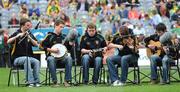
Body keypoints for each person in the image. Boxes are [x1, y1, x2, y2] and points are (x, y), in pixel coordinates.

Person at [7, 18, 41, 87]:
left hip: (29, 57)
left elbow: (36, 44)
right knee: (26, 59)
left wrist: (30, 38)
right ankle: (30, 81)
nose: (29, 27)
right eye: (27, 25)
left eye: (29, 25)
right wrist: (17, 36)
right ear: (22, 26)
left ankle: (36, 81)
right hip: (17, 59)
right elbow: (8, 41)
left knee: (37, 61)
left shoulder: (29, 33)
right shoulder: (17, 33)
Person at [40, 19, 72, 87]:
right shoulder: (49, 36)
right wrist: (52, 50)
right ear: (55, 26)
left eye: (63, 27)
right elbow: (41, 46)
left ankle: (67, 81)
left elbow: (68, 49)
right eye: (60, 27)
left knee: (69, 58)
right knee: (51, 59)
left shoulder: (64, 37)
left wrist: (71, 44)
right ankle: (55, 82)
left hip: (62, 59)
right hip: (52, 58)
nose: (62, 28)